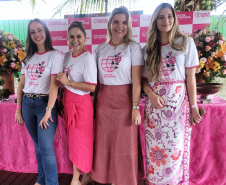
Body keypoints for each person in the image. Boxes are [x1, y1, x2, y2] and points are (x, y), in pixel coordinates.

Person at [142, 3, 202, 185]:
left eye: (169, 16)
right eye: (161, 17)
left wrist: (194, 107)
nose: (166, 20)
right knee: (155, 151)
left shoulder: (186, 42)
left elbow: (190, 79)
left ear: (174, 19)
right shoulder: (147, 48)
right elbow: (143, 80)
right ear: (155, 20)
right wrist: (151, 95)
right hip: (154, 109)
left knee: (174, 151)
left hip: (177, 109)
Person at [91, 6, 144, 185]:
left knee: (125, 145)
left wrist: (135, 107)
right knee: (104, 144)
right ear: (109, 24)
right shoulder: (100, 49)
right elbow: (96, 82)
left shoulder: (134, 48)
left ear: (128, 25)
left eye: (124, 22)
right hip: (103, 101)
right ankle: (109, 180)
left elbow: (137, 81)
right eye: (116, 22)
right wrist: (92, 105)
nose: (119, 26)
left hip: (126, 101)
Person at [15, 18, 63, 185]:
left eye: (40, 30)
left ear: (46, 31)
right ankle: (41, 179)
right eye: (33, 32)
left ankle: (51, 182)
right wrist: (18, 109)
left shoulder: (55, 55)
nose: (37, 34)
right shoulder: (27, 58)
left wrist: (49, 110)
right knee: (37, 145)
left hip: (45, 105)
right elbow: (21, 85)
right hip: (28, 104)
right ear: (30, 35)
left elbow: (54, 86)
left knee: (46, 148)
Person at [56, 21, 97, 185]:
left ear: (85, 38)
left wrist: (69, 82)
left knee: (81, 142)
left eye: (79, 36)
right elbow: (61, 81)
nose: (75, 40)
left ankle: (76, 178)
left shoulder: (88, 57)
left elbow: (92, 87)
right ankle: (85, 174)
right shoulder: (66, 56)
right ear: (67, 39)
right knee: (73, 142)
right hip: (67, 103)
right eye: (71, 36)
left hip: (81, 105)